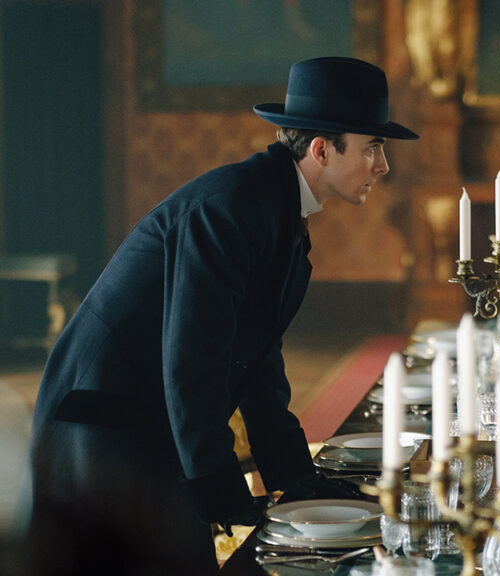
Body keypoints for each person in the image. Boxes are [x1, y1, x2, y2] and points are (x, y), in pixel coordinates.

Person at [21, 57, 417, 575]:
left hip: (154, 416)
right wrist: (218, 486)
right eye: (373, 147)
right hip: (103, 424)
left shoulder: (273, 208)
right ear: (322, 149)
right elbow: (194, 357)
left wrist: (294, 475)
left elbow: (257, 360)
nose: (383, 166)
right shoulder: (230, 208)